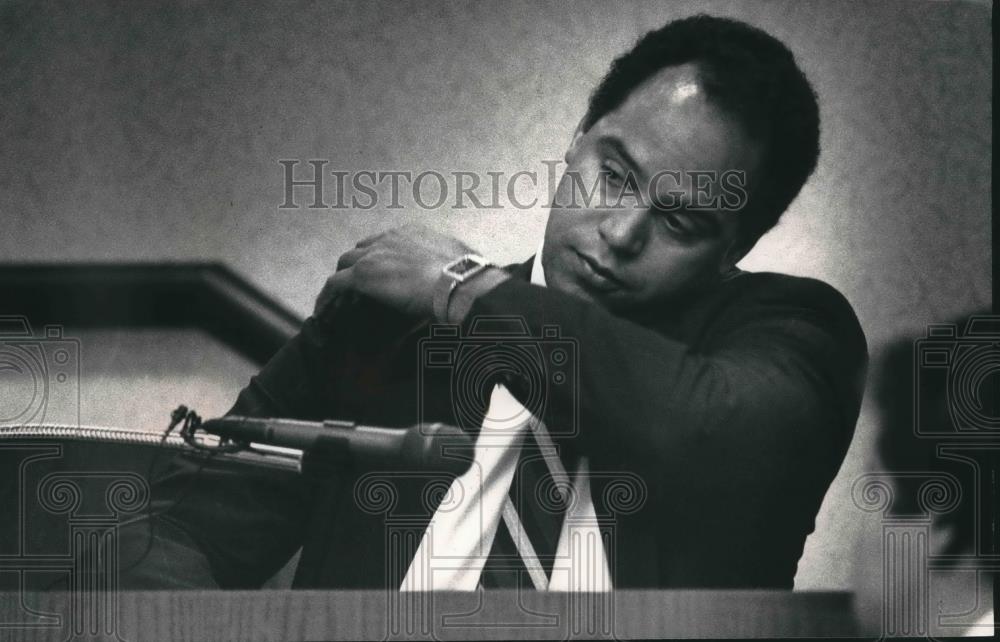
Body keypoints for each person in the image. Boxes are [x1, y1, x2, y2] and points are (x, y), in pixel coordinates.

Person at [116, 14, 867, 590]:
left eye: (680, 221)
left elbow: (718, 436)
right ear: (576, 139)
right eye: (614, 174)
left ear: (738, 246)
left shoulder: (793, 333)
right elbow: (179, 535)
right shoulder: (384, 327)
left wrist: (464, 289)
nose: (620, 232)